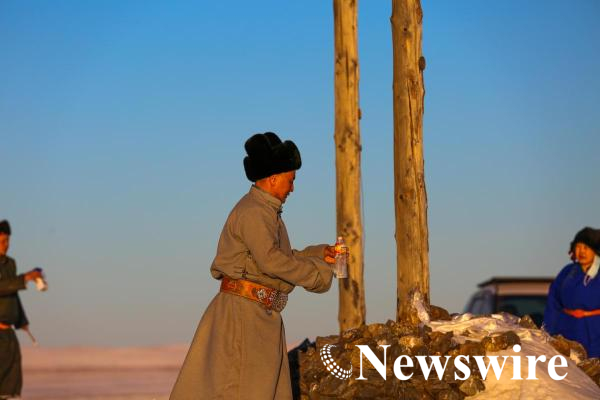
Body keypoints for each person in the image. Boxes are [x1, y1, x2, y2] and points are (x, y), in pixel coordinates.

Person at [170, 132, 336, 400]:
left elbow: (279, 256)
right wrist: (318, 275)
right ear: (274, 178)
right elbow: (271, 261)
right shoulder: (254, 212)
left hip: (257, 315)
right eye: (291, 180)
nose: (292, 188)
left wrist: (319, 254)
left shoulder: (265, 212)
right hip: (244, 317)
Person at [0, 220, 43, 399]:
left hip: (8, 333)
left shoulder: (10, 264)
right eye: (2, 241)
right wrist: (25, 277)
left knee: (11, 382)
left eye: (8, 241)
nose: (6, 245)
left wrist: (21, 320)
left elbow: (13, 293)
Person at [543, 227, 600, 357]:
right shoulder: (567, 272)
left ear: (595, 250)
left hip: (595, 330)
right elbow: (553, 303)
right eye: (578, 247)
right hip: (568, 329)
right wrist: (549, 332)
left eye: (586, 247)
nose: (581, 251)